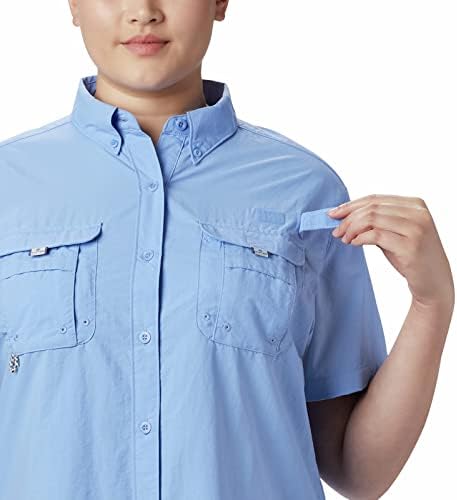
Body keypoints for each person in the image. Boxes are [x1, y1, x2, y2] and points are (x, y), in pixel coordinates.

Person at [0, 1, 453, 499]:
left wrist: (431, 303)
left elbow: (359, 472)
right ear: (73, 4)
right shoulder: (9, 186)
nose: (143, 11)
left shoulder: (305, 191)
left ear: (219, 2)